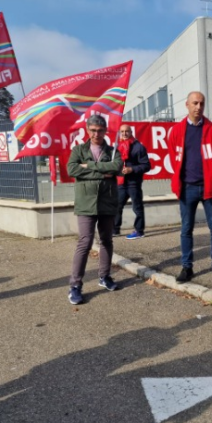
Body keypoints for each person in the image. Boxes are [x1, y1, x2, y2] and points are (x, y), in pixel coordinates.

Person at [168, 91, 212, 283]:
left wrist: (211, 176)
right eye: (195, 103)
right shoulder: (177, 130)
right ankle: (187, 267)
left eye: (201, 103)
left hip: (209, 188)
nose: (198, 107)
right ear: (187, 105)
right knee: (186, 229)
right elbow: (174, 157)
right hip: (187, 188)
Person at [67, 115, 123, 305]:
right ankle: (75, 285)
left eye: (100, 130)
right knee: (85, 242)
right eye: (92, 130)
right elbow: (72, 169)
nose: (96, 134)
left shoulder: (113, 150)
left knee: (107, 240)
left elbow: (116, 167)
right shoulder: (78, 150)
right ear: (87, 129)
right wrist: (102, 171)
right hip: (85, 204)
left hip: (107, 202)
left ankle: (104, 276)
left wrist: (89, 166)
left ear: (105, 130)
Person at [113, 124, 151, 239]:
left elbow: (146, 165)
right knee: (116, 206)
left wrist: (132, 169)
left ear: (131, 132)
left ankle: (139, 231)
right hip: (121, 182)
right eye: (122, 131)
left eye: (127, 131)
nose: (124, 134)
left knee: (137, 207)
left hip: (133, 183)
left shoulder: (138, 147)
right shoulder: (117, 147)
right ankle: (115, 229)